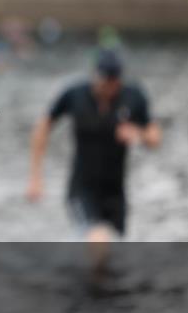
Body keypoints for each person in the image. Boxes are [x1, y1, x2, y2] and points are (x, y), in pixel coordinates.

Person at [27, 49, 161, 263]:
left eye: (114, 81)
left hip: (115, 192)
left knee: (113, 253)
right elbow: (43, 126)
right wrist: (35, 177)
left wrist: (138, 133)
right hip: (82, 188)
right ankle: (89, 288)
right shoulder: (75, 94)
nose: (109, 87)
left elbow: (155, 138)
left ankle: (94, 283)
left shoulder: (133, 96)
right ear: (95, 76)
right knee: (98, 240)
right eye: (105, 80)